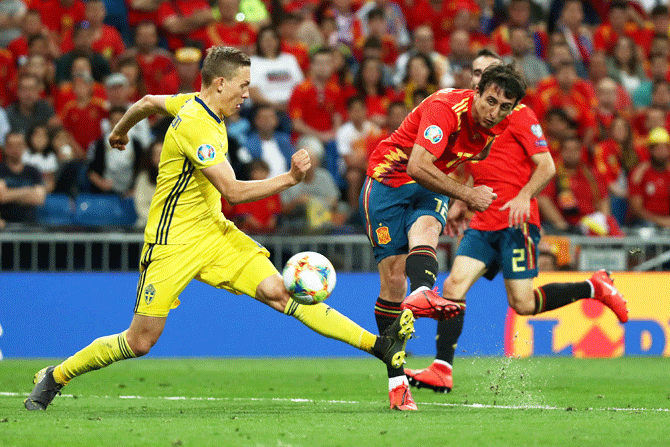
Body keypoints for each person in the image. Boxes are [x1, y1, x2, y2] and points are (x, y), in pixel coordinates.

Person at [24, 46, 415, 411]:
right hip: (171, 244)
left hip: (214, 234)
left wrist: (120, 131)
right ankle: (55, 375)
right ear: (220, 84)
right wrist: (290, 179)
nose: (248, 93)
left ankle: (379, 346)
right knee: (140, 341)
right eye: (244, 85)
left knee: (281, 292)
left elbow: (145, 103)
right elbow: (233, 190)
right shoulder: (197, 126)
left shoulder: (194, 104)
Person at [403, 51, 629, 395]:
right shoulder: (466, 118)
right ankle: (442, 368)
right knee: (452, 289)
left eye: (486, 73)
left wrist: (524, 195)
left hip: (515, 223)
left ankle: (594, 287)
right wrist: (461, 203)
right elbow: (469, 166)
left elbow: (547, 166)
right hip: (482, 222)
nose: (480, 80)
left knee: (522, 304)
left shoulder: (519, 115)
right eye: (476, 73)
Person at [360, 61, 527, 411]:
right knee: (392, 281)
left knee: (427, 229)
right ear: (477, 92)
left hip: (431, 184)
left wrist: (460, 201)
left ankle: (422, 292)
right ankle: (397, 382)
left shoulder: (498, 125)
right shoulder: (445, 109)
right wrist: (467, 195)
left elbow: (471, 157)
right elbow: (416, 166)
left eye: (504, 107)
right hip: (389, 181)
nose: (495, 112)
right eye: (491, 101)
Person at [0, 131, 46, 224]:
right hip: (5, 225)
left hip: (30, 225)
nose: (15, 149)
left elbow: (39, 198)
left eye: (19, 145)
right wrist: (28, 191)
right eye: (11, 145)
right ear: (5, 148)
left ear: (25, 147)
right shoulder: (1, 170)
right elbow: (2, 196)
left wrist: (10, 193)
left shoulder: (33, 171)